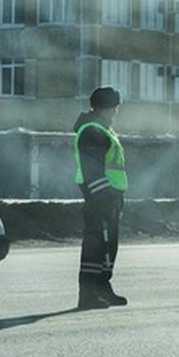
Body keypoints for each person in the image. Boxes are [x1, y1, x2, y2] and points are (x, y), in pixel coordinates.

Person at [73, 86, 128, 310]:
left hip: (111, 195)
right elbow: (91, 171)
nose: (116, 112)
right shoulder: (92, 131)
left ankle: (103, 287)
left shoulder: (105, 130)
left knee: (108, 246)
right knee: (96, 246)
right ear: (106, 108)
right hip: (100, 196)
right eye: (114, 107)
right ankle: (88, 294)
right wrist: (104, 197)